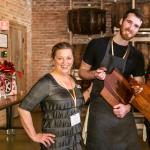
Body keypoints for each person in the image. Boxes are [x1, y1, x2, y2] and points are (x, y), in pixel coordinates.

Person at [79, 9, 145, 150]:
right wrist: (94, 74)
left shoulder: (137, 56)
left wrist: (128, 108)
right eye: (129, 22)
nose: (131, 28)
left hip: (122, 112)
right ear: (121, 21)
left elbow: (140, 89)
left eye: (136, 26)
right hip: (99, 113)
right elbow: (82, 72)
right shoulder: (97, 44)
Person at [18, 42, 84, 150]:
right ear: (53, 59)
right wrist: (34, 135)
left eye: (68, 58)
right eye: (60, 58)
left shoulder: (73, 79)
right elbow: (23, 108)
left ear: (73, 59)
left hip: (75, 139)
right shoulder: (46, 83)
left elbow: (76, 103)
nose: (65, 62)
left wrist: (92, 88)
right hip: (56, 142)